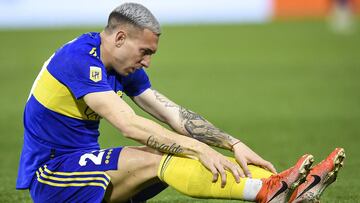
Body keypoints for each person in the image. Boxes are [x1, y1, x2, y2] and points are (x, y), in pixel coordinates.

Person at [16, 3, 346, 203]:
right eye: (144, 52)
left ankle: (288, 186)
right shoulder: (78, 59)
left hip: (82, 167)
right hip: (53, 176)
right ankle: (266, 192)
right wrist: (197, 148)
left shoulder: (118, 61)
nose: (147, 62)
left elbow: (171, 113)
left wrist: (234, 143)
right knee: (156, 156)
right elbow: (129, 125)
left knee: (172, 151)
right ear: (119, 38)